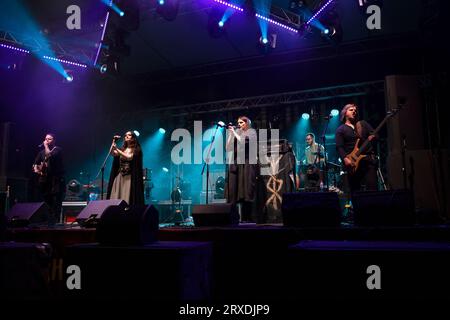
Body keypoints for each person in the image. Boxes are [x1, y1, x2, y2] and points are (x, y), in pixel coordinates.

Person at [335, 104, 378, 193]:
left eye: (355, 110)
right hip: (353, 163)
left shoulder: (362, 124)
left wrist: (374, 137)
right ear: (345, 113)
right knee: (355, 191)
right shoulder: (341, 129)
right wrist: (345, 158)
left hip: (367, 160)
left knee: (372, 189)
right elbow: (339, 146)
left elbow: (375, 135)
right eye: (351, 110)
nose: (354, 111)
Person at [225, 116, 258, 222]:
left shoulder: (251, 132)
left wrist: (234, 133)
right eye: (238, 122)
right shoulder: (237, 133)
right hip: (237, 163)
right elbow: (228, 147)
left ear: (247, 123)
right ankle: (234, 217)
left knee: (247, 191)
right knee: (235, 191)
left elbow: (244, 142)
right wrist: (231, 134)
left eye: (241, 123)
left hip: (248, 163)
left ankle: (248, 218)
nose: (239, 124)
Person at [33, 133, 65, 226]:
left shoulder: (58, 150)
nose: (47, 141)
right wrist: (38, 170)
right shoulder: (41, 152)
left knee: (56, 201)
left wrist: (46, 146)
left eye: (49, 139)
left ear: (54, 140)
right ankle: (48, 220)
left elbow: (50, 155)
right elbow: (35, 164)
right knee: (47, 200)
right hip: (45, 181)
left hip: (56, 181)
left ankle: (56, 221)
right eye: (46, 139)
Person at [107, 131, 144, 205]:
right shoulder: (123, 149)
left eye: (129, 135)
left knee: (126, 195)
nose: (126, 136)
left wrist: (117, 149)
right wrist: (113, 141)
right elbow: (112, 153)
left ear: (133, 138)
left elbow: (129, 157)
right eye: (125, 135)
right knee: (117, 195)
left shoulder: (137, 150)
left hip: (129, 176)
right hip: (120, 176)